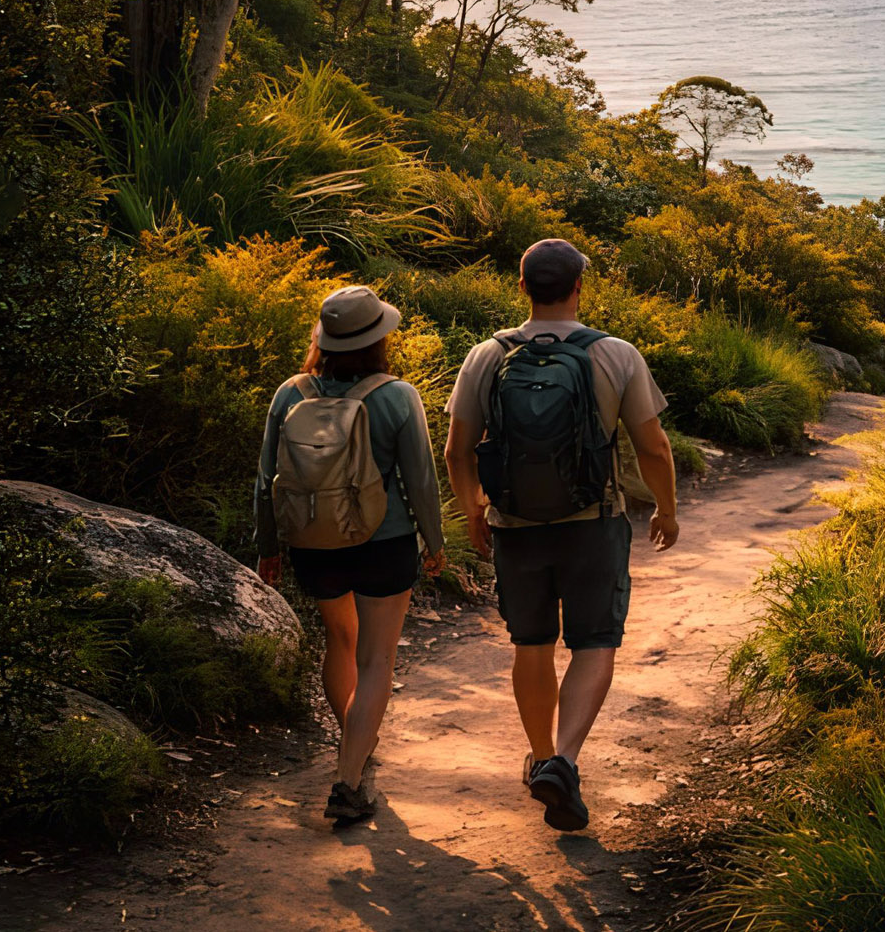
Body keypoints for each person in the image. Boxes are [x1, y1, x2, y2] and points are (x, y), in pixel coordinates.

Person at [444, 238, 679, 833]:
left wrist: (473, 510)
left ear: (522, 286)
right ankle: (565, 762)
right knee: (594, 641)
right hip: (593, 523)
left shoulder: (486, 355)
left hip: (514, 526)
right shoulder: (615, 354)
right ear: (579, 286)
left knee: (531, 643)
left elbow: (456, 450)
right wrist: (667, 510)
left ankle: (540, 755)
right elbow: (653, 447)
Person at [254, 285, 445, 825]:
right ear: (379, 339)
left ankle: (354, 746)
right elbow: (421, 480)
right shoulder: (397, 395)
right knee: (377, 658)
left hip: (313, 543)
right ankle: (350, 778)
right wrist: (434, 541)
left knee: (340, 641)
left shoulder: (289, 393)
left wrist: (268, 546)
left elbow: (266, 479)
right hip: (384, 542)